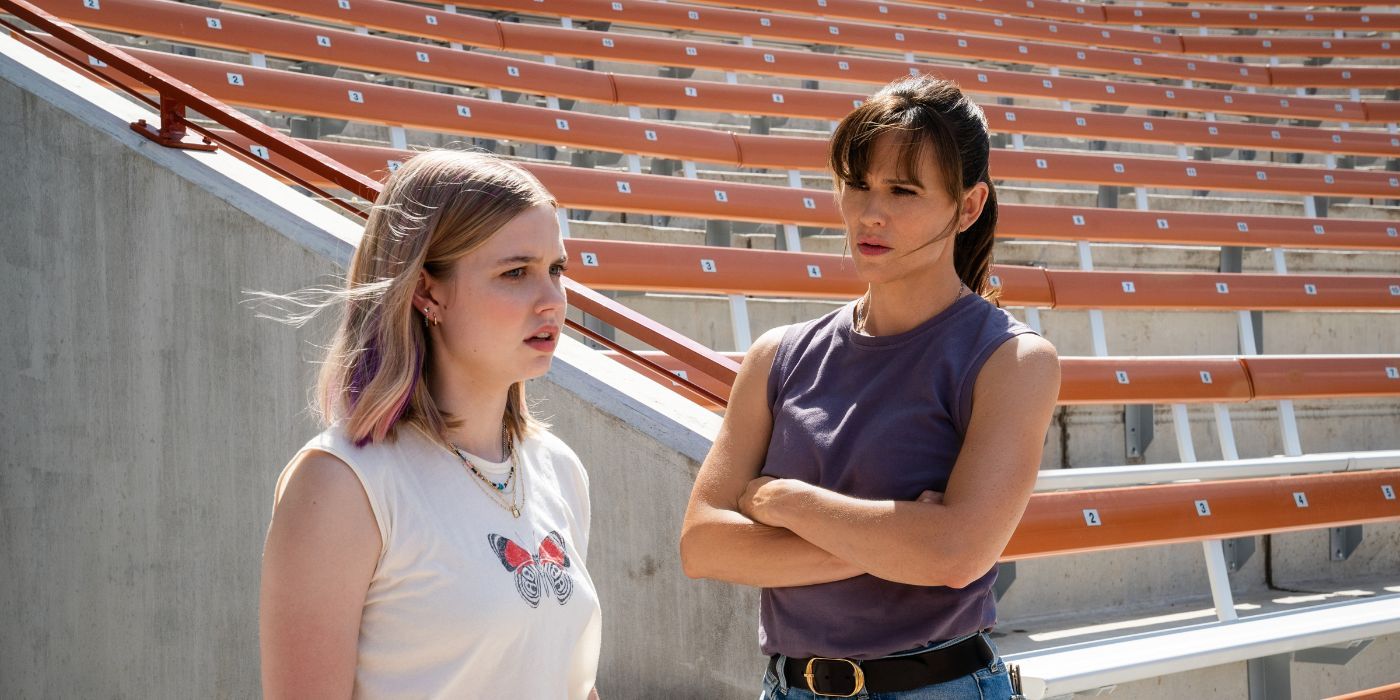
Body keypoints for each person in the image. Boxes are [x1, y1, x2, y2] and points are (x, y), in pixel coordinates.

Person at [679, 75, 1061, 699]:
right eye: (857, 185)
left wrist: (782, 501)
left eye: (902, 190)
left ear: (967, 206)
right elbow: (703, 547)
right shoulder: (777, 355)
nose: (869, 212)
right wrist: (900, 540)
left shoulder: (1012, 360)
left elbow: (956, 556)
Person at [259, 150, 601, 699]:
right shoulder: (343, 483)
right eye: (516, 272)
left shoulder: (558, 469)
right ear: (426, 291)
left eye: (556, 270)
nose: (552, 301)